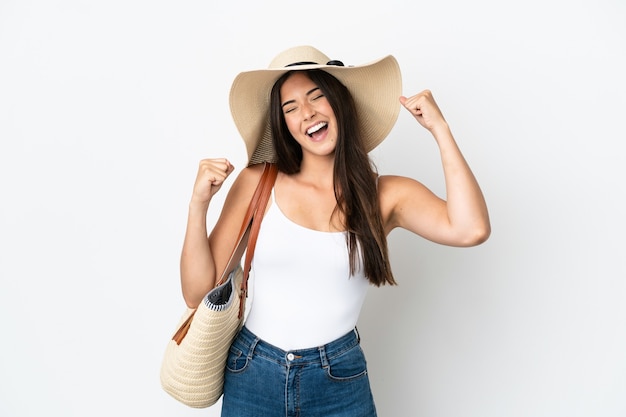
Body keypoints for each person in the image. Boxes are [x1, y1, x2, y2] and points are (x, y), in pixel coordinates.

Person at [179, 46, 490, 416]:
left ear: (339, 102)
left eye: (316, 96)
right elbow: (197, 292)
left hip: (338, 379)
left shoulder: (383, 195)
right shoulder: (258, 182)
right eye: (290, 107)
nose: (306, 113)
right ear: (283, 125)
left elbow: (471, 229)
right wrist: (198, 205)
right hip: (253, 373)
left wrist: (440, 129)